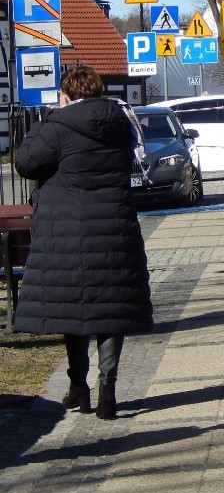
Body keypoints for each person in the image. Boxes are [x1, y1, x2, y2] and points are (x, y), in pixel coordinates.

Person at [13, 65, 153, 420]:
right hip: (114, 228)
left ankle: (79, 386)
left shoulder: (57, 126)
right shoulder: (120, 122)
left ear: (66, 95)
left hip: (68, 233)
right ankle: (108, 387)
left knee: (73, 309)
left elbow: (26, 163)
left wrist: (42, 123)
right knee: (110, 307)